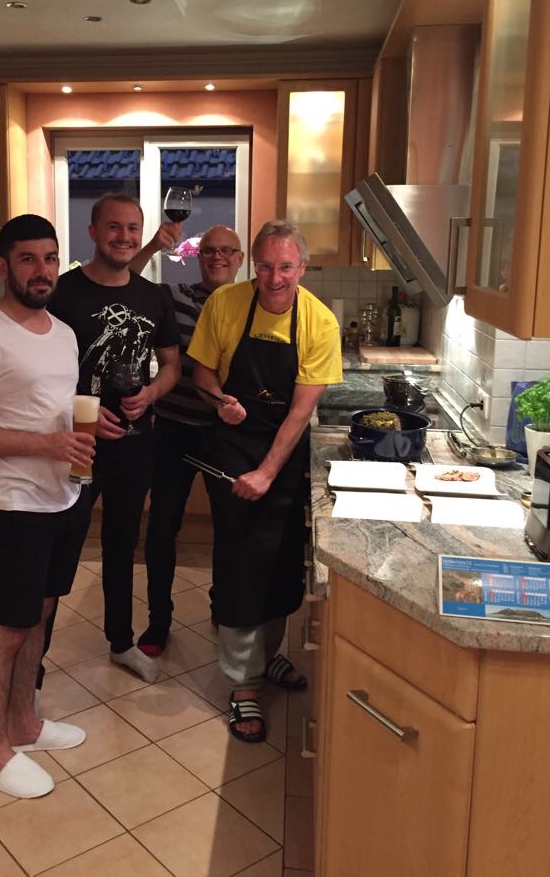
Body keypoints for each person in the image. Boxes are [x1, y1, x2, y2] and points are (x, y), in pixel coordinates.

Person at [0, 214, 95, 799]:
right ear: (2, 266)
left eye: (50, 258)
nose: (42, 270)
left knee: (41, 615)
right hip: (12, 505)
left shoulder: (63, 333)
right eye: (28, 259)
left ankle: (24, 723)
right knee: (8, 629)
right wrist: (46, 445)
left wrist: (83, 431)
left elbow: (49, 407)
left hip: (63, 496)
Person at [189, 220, 342, 743]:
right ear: (254, 265)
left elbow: (299, 413)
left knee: (278, 562)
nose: (275, 279)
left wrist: (268, 472)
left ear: (303, 267)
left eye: (286, 267)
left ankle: (266, 655)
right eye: (266, 267)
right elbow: (202, 373)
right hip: (233, 449)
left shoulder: (319, 323)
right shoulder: (225, 304)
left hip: (282, 454)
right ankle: (242, 683)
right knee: (239, 563)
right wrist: (219, 401)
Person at [48, 193, 181, 682]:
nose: (124, 237)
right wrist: (80, 411)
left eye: (132, 228)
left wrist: (151, 394)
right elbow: (40, 372)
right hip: (76, 443)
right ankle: (32, 663)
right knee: (61, 544)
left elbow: (171, 365)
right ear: (92, 231)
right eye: (114, 227)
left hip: (134, 442)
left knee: (122, 545)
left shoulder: (154, 297)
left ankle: (121, 642)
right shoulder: (61, 293)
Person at [128, 223, 245, 655]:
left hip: (225, 435)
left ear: (240, 259)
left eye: (227, 251)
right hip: (173, 430)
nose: (218, 257)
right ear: (198, 256)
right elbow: (127, 283)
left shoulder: (249, 302)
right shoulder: (172, 296)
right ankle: (158, 621)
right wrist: (150, 246)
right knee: (161, 528)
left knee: (230, 529)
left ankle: (222, 604)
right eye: (210, 250)